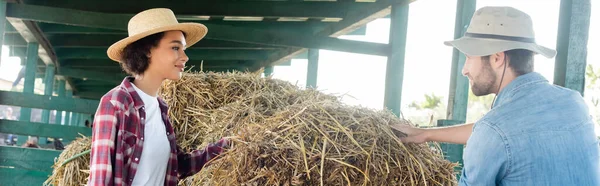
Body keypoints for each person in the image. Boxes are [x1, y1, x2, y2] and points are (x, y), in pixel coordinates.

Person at [391, 6, 600, 185]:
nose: (465, 70)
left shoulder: (494, 131)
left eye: (469, 57)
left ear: (497, 58)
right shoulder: (574, 103)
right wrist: (425, 133)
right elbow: (508, 134)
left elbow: (495, 135)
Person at [88, 8, 232, 186]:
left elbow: (177, 165)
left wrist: (228, 145)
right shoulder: (116, 103)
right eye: (175, 48)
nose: (185, 57)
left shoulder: (161, 108)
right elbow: (100, 180)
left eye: (183, 49)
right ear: (147, 50)